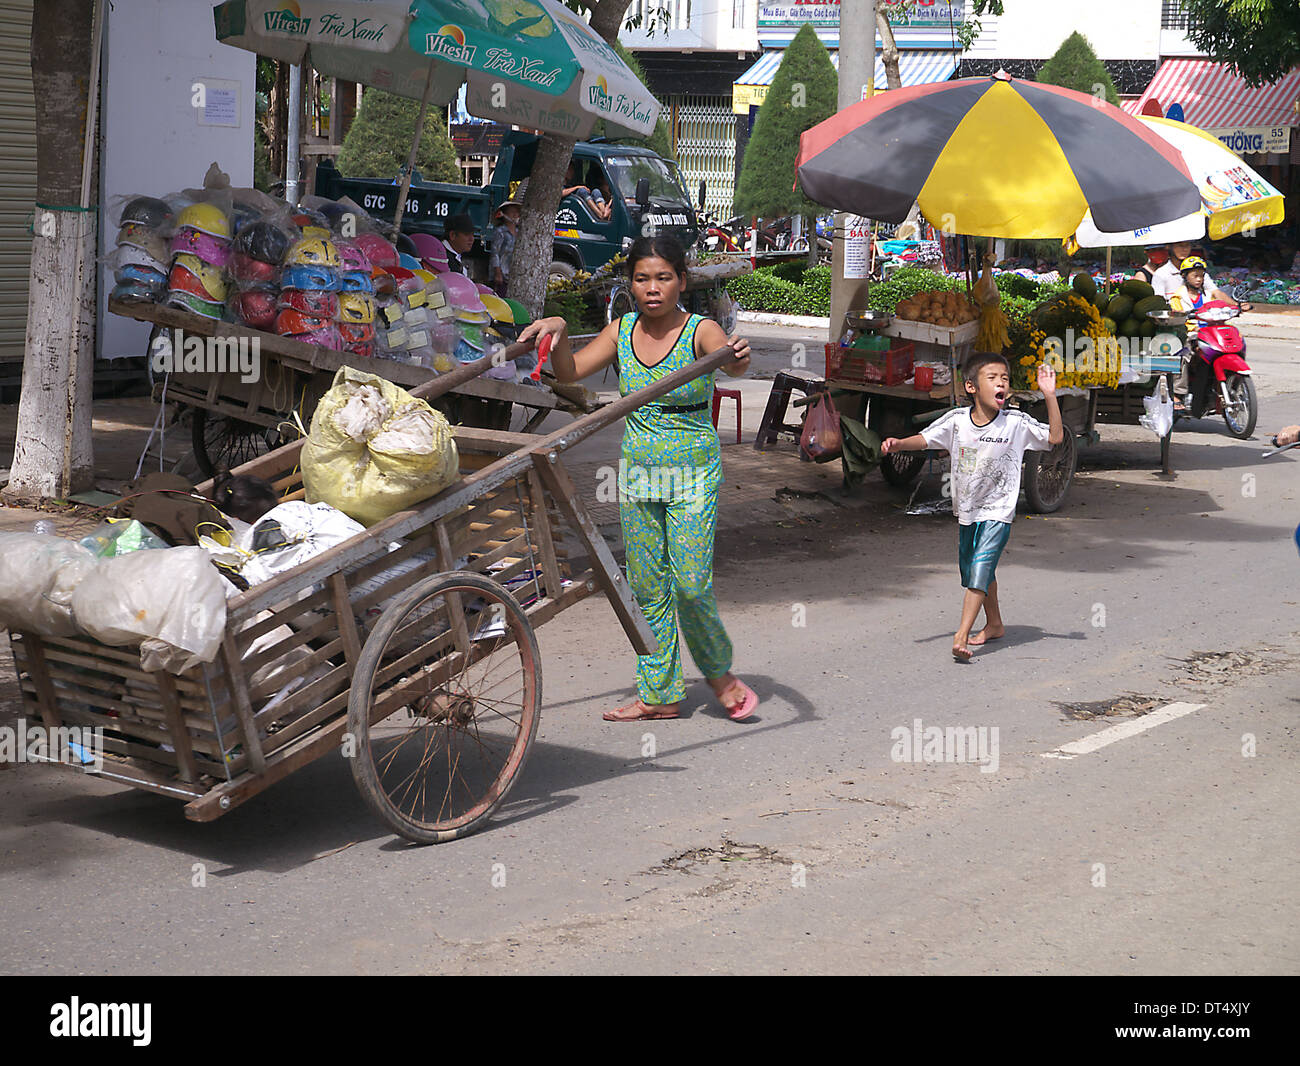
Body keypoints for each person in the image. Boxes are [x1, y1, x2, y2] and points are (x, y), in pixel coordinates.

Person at [516, 235, 758, 722]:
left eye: (663, 277)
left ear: (681, 282)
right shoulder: (621, 330)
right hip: (640, 473)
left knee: (690, 585)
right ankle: (661, 693)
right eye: (643, 278)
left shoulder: (701, 329)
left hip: (692, 474)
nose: (653, 288)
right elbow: (572, 373)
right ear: (631, 284)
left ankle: (718, 672)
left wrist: (738, 354)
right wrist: (559, 332)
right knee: (647, 586)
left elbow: (736, 360)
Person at [882, 354, 1063, 662]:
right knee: (973, 571)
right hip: (968, 510)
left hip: (999, 511)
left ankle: (961, 634)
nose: (1001, 382)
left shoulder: (1016, 423)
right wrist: (899, 444)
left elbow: (1055, 437)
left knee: (979, 568)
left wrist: (1049, 395)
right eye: (992, 377)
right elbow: (926, 439)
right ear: (972, 387)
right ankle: (994, 624)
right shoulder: (956, 422)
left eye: (1005, 378)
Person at [489, 200, 520, 296]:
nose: (515, 214)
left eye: (516, 212)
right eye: (512, 212)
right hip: (502, 275)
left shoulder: (519, 232)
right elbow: (495, 254)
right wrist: (498, 273)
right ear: (504, 214)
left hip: (512, 275)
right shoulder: (500, 232)